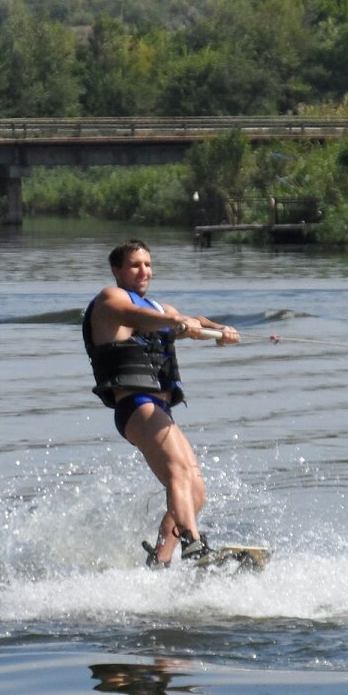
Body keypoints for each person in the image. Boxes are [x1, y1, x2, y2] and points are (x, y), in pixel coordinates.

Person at [82, 238, 239, 566]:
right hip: (136, 405)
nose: (144, 271)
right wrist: (176, 324)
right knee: (178, 473)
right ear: (118, 270)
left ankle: (160, 559)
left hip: (160, 409)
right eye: (135, 265)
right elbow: (137, 317)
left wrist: (219, 330)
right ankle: (194, 546)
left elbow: (188, 319)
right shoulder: (111, 300)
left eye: (148, 265)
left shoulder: (160, 309)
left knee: (196, 493)